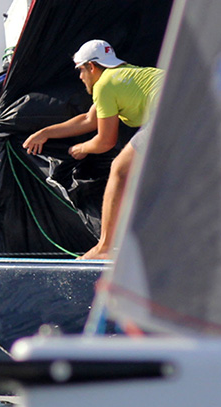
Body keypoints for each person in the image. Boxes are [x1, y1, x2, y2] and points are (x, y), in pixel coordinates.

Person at [22, 40, 164, 260]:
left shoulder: (104, 85)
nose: (80, 77)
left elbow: (105, 141)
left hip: (170, 112)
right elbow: (89, 120)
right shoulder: (121, 77)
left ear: (91, 67)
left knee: (119, 169)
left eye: (81, 70)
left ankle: (105, 247)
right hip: (197, 109)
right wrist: (46, 132)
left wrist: (82, 148)